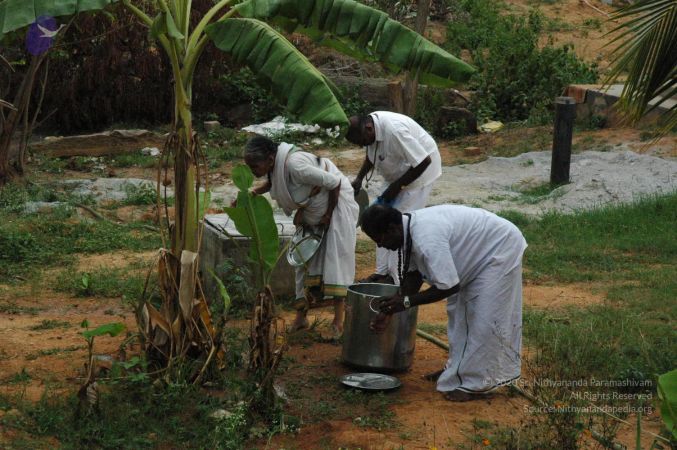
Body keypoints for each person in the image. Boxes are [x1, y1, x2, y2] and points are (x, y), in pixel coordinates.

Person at [360, 204, 527, 401]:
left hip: (499, 248)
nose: (380, 246)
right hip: (478, 250)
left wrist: (406, 302)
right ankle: (456, 369)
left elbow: (448, 287)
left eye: (379, 239)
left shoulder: (427, 238)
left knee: (484, 317)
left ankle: (476, 383)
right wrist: (391, 310)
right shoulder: (407, 231)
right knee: (458, 314)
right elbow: (414, 276)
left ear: (391, 228)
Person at [243, 135, 359, 335]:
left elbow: (334, 183)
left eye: (255, 167)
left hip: (336, 208)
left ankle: (339, 322)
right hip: (312, 212)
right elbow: (274, 182)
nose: (253, 172)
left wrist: (328, 215)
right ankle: (301, 318)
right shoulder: (277, 166)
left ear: (270, 159)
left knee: (335, 262)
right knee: (301, 263)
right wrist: (253, 193)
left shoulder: (295, 165)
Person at [345, 111, 441, 285]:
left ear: (368, 129)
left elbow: (424, 161)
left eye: (361, 142)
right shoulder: (370, 128)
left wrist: (398, 187)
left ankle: (397, 279)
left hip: (419, 175)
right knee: (378, 221)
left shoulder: (395, 131)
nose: (362, 146)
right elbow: (370, 154)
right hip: (399, 174)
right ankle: (382, 274)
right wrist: (359, 177)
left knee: (399, 225)